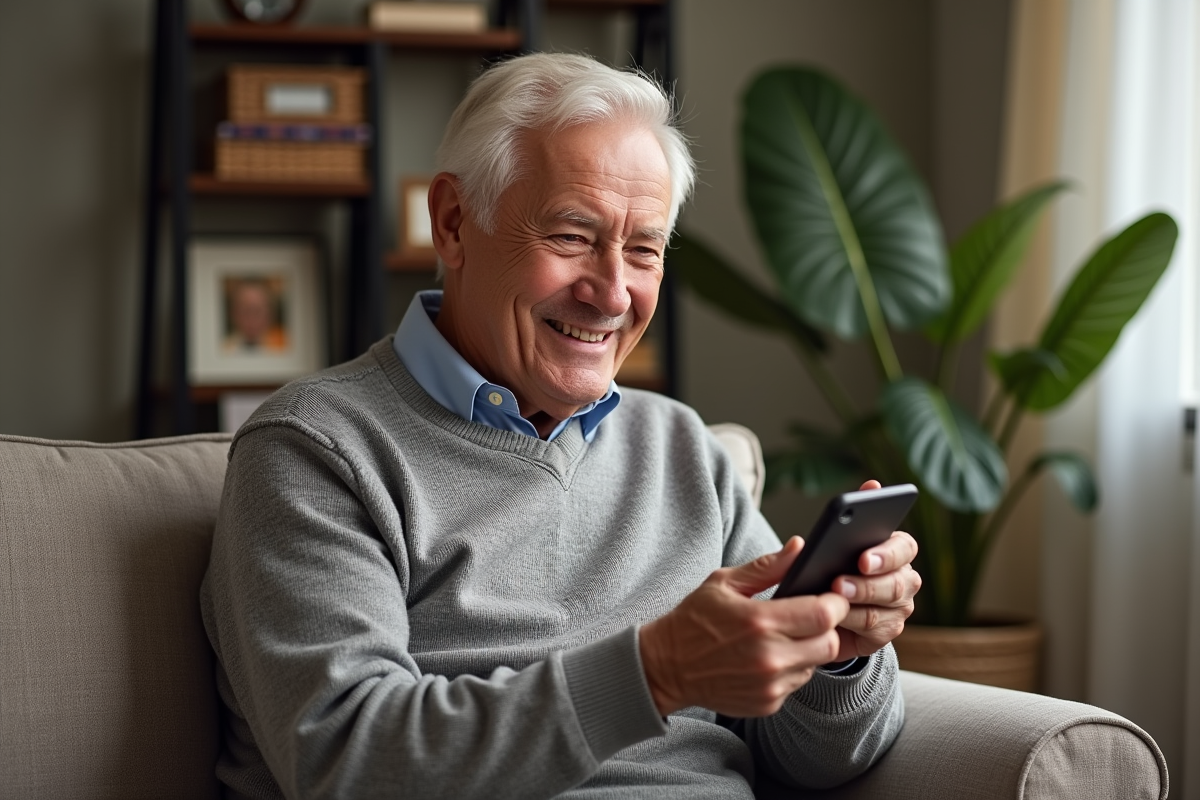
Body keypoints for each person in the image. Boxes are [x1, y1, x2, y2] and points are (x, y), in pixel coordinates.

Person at [200, 52, 921, 800]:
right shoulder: (316, 450)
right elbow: (348, 761)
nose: (612, 293)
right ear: (453, 223)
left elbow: (817, 760)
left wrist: (839, 654)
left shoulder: (681, 449)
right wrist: (655, 672)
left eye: (643, 249)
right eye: (572, 237)